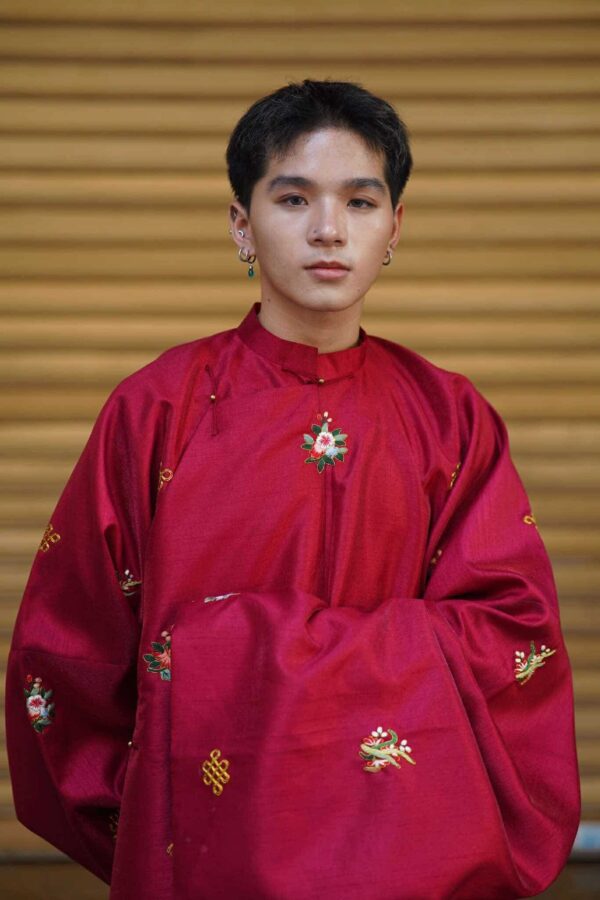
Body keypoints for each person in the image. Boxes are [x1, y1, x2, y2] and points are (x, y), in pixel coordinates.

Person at [5, 78, 580, 900]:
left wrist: (232, 652)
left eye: (360, 202)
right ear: (241, 223)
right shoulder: (155, 410)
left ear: (395, 228)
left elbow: (514, 643)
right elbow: (67, 657)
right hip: (202, 863)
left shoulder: (451, 419)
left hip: (407, 863)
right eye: (293, 198)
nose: (327, 230)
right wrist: (165, 814)